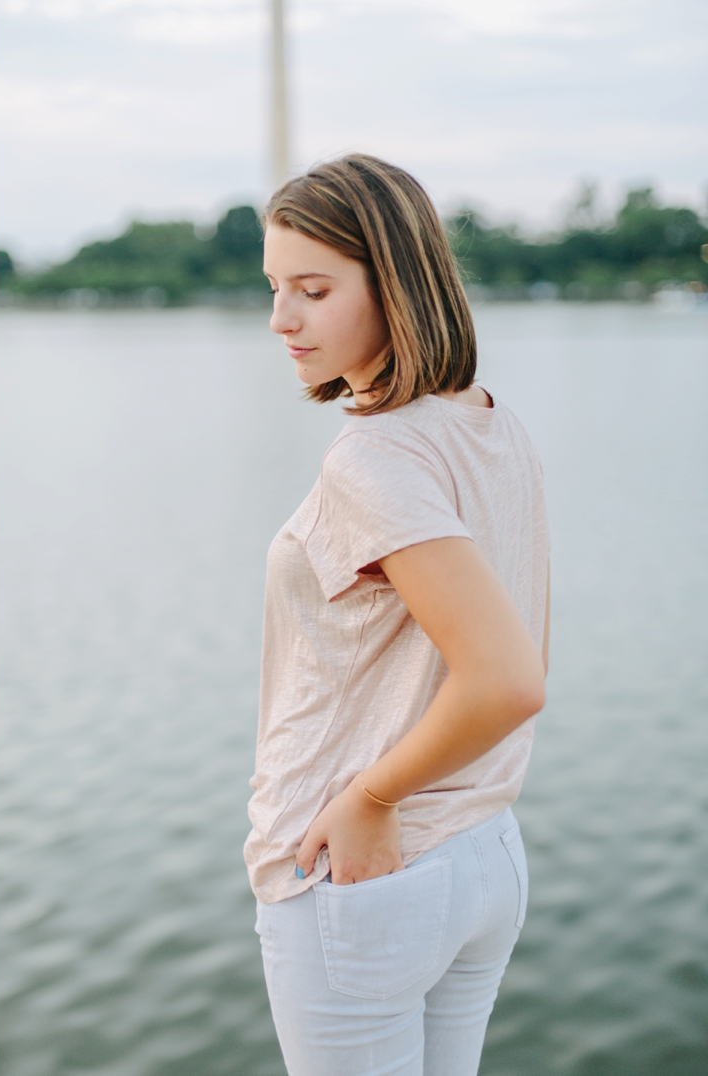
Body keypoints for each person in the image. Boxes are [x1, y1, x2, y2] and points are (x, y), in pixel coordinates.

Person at [246, 155, 549, 1075]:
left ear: (399, 284)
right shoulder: (484, 418)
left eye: (314, 288)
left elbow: (506, 680)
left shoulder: (372, 459)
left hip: (370, 872)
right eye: (275, 288)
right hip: (482, 850)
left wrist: (371, 797)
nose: (281, 318)